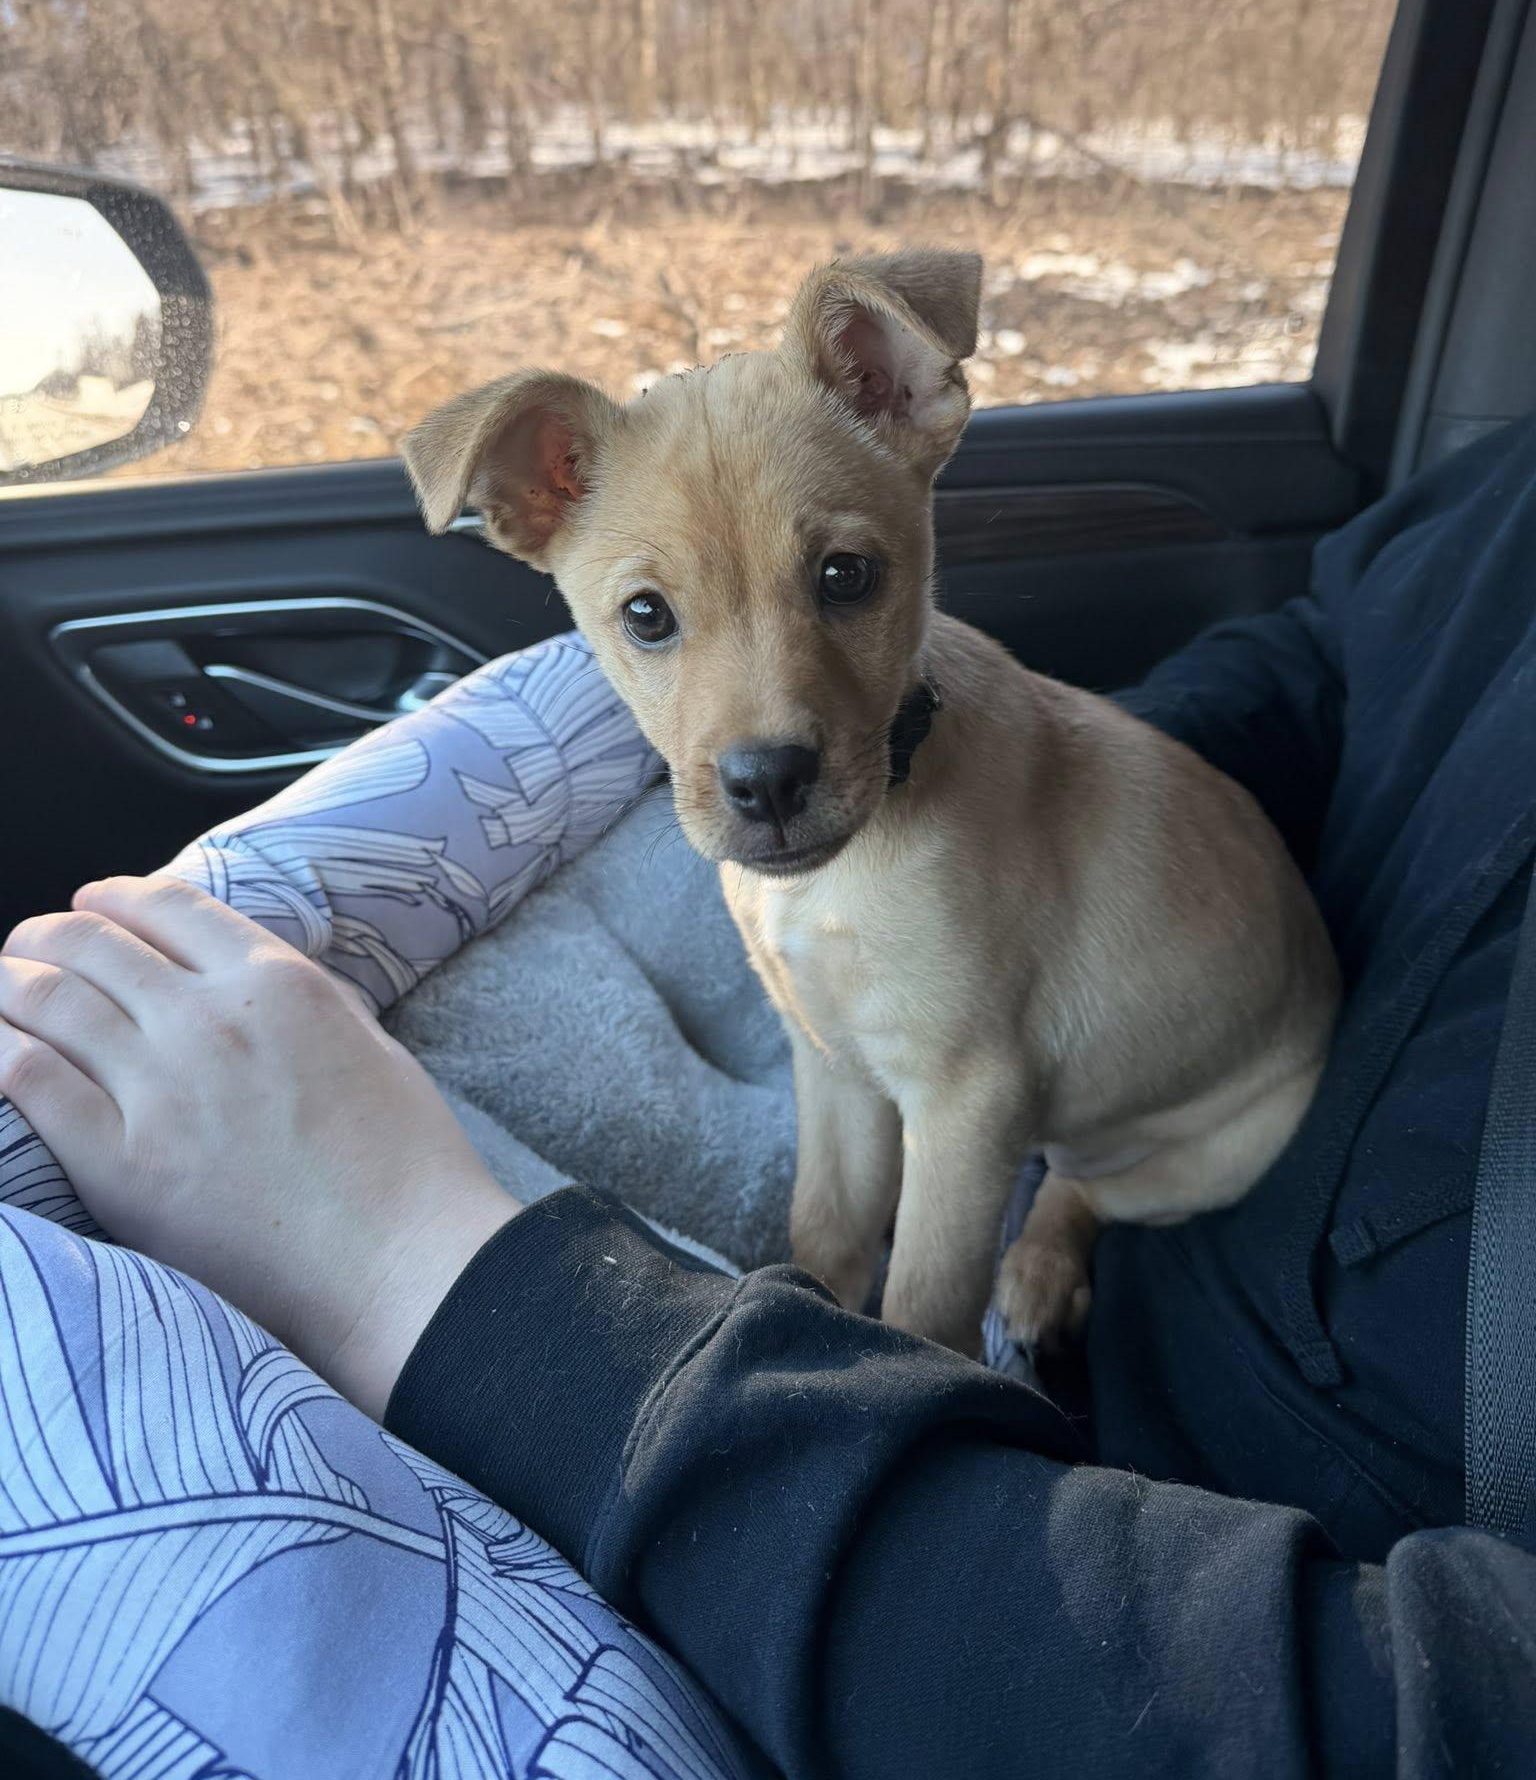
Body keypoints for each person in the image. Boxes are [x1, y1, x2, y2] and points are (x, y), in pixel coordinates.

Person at [2, 413, 1535, 1778]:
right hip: (1144, 1024)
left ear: (909, 400)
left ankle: (1047, 1227)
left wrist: (902, 1356)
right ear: (543, 514)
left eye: (843, 582)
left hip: (1227, 1201)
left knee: (956, 1078)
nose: (767, 725)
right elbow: (1341, 642)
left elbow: (968, 1089)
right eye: (655, 619)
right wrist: (1065, 827)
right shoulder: (1502, 496)